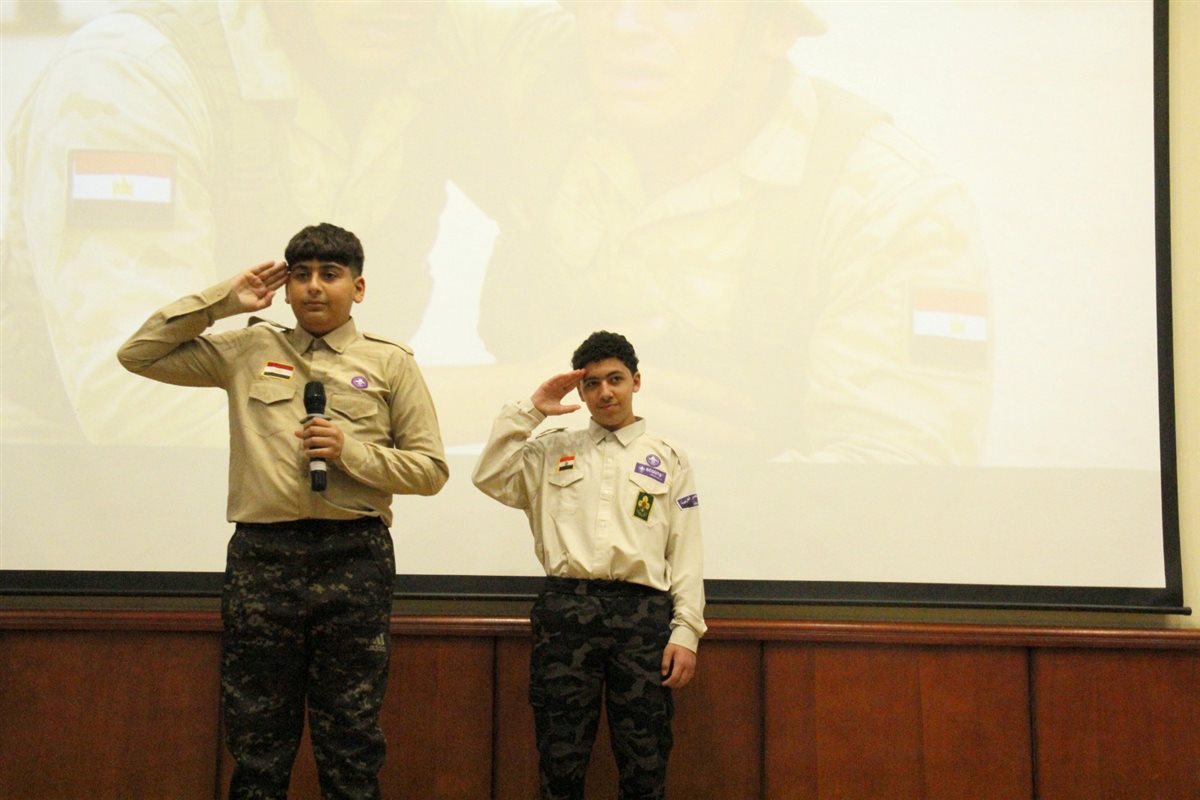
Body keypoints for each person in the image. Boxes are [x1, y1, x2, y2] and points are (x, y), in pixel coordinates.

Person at [464, 0, 993, 464]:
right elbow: (433, 29)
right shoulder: (552, 107)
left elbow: (901, 478)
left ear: (772, 28)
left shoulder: (895, 209)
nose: (624, 24)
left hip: (753, 542)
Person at [4, 0, 450, 445]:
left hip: (318, 464)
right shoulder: (132, 74)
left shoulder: (423, 66)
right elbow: (144, 397)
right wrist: (432, 414)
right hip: (71, 467)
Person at [117, 223, 449, 797]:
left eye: (330, 274)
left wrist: (352, 452)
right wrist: (223, 301)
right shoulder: (248, 350)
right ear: (287, 288)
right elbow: (138, 354)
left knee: (350, 738)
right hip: (263, 557)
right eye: (301, 275)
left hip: (354, 557)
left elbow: (431, 470)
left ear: (358, 288)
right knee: (257, 739)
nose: (313, 287)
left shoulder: (390, 362)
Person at [472, 330, 704, 800]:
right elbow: (490, 476)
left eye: (615, 379)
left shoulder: (668, 457)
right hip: (566, 610)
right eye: (592, 383)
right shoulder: (551, 449)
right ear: (580, 391)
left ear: (636, 381)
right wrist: (532, 410)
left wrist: (687, 631)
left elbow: (685, 550)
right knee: (560, 758)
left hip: (642, 616)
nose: (605, 392)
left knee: (645, 760)